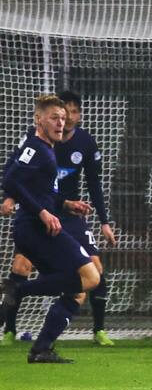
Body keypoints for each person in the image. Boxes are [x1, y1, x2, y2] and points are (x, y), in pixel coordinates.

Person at [0, 91, 116, 347]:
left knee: (80, 284)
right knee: (87, 276)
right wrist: (40, 211)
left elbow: (43, 190)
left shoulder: (51, 149)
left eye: (63, 117)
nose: (61, 122)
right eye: (55, 118)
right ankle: (14, 306)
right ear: (39, 120)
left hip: (49, 221)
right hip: (35, 227)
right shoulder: (35, 146)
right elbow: (10, 178)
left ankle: (42, 348)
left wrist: (64, 204)